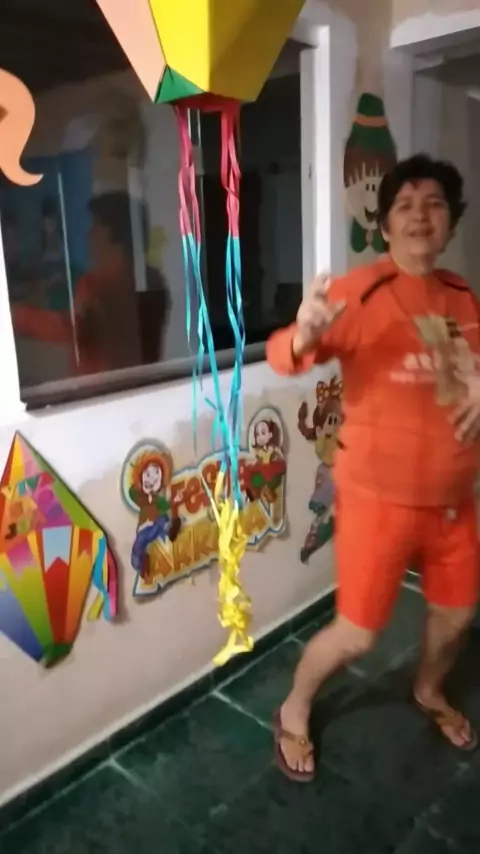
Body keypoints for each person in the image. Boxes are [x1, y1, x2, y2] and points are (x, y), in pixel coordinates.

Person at [266, 154, 480, 783]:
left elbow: (464, 380)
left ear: (452, 221)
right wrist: (303, 334)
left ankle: (428, 690)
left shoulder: (462, 297)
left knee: (456, 617)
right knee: (357, 635)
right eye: (405, 205)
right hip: (377, 502)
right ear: (384, 226)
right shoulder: (359, 292)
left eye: (434, 203)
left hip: (454, 502)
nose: (420, 215)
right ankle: (294, 707)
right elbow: (284, 356)